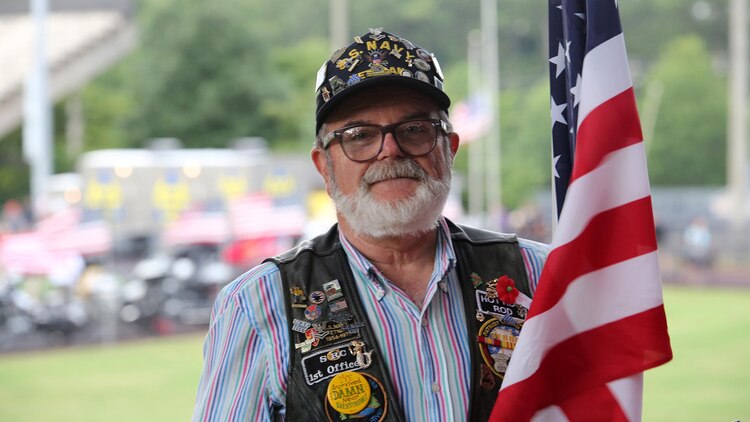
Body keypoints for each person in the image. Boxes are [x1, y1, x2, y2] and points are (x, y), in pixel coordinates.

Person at [193, 28, 549, 422]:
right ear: (324, 168)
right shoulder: (257, 305)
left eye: (415, 129)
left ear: (449, 150)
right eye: (359, 136)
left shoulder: (540, 274)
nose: (390, 149)